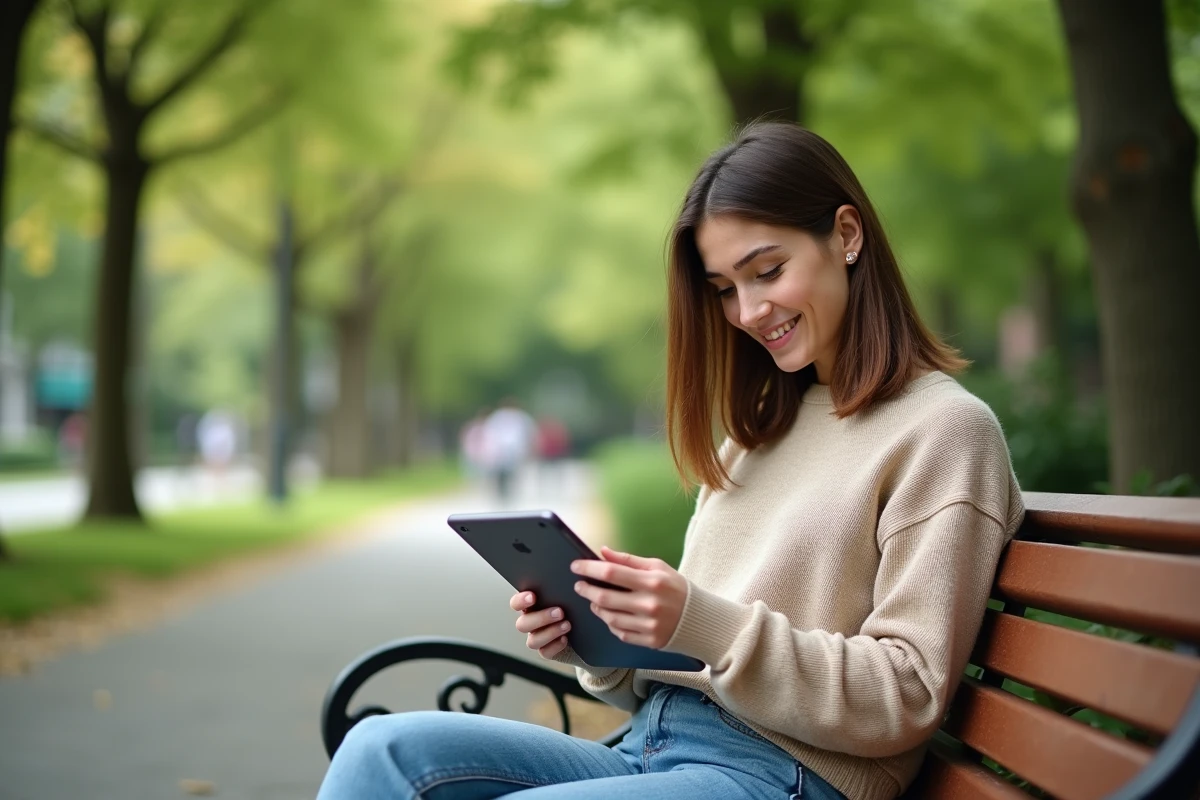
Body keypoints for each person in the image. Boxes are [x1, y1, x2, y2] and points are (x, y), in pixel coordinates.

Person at [317, 123, 1024, 800]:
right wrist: (601, 642)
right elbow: (696, 658)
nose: (747, 311)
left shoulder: (944, 432)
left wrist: (699, 620)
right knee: (381, 751)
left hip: (786, 775)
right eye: (723, 288)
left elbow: (905, 694)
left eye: (767, 271)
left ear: (845, 234)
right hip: (651, 745)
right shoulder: (758, 435)